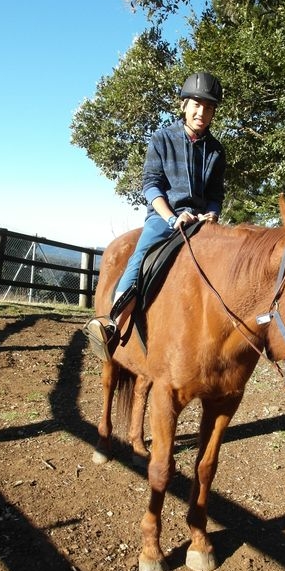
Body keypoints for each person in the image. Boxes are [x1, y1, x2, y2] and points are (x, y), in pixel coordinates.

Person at [84, 71, 226, 361]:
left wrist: (211, 214)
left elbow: (215, 195)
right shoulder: (162, 139)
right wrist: (172, 217)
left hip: (201, 222)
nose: (202, 112)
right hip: (165, 217)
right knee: (142, 254)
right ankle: (111, 323)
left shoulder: (216, 151)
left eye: (209, 107)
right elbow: (152, 185)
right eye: (197, 105)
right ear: (184, 105)